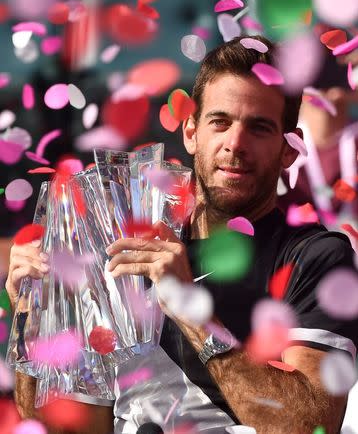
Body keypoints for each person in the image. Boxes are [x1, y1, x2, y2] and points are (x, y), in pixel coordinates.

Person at [5, 35, 358, 434]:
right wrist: (33, 319)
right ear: (191, 132)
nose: (235, 144)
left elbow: (310, 425)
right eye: (219, 122)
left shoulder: (316, 257)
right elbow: (64, 427)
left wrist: (194, 314)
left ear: (289, 150)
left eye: (258, 128)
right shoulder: (126, 246)